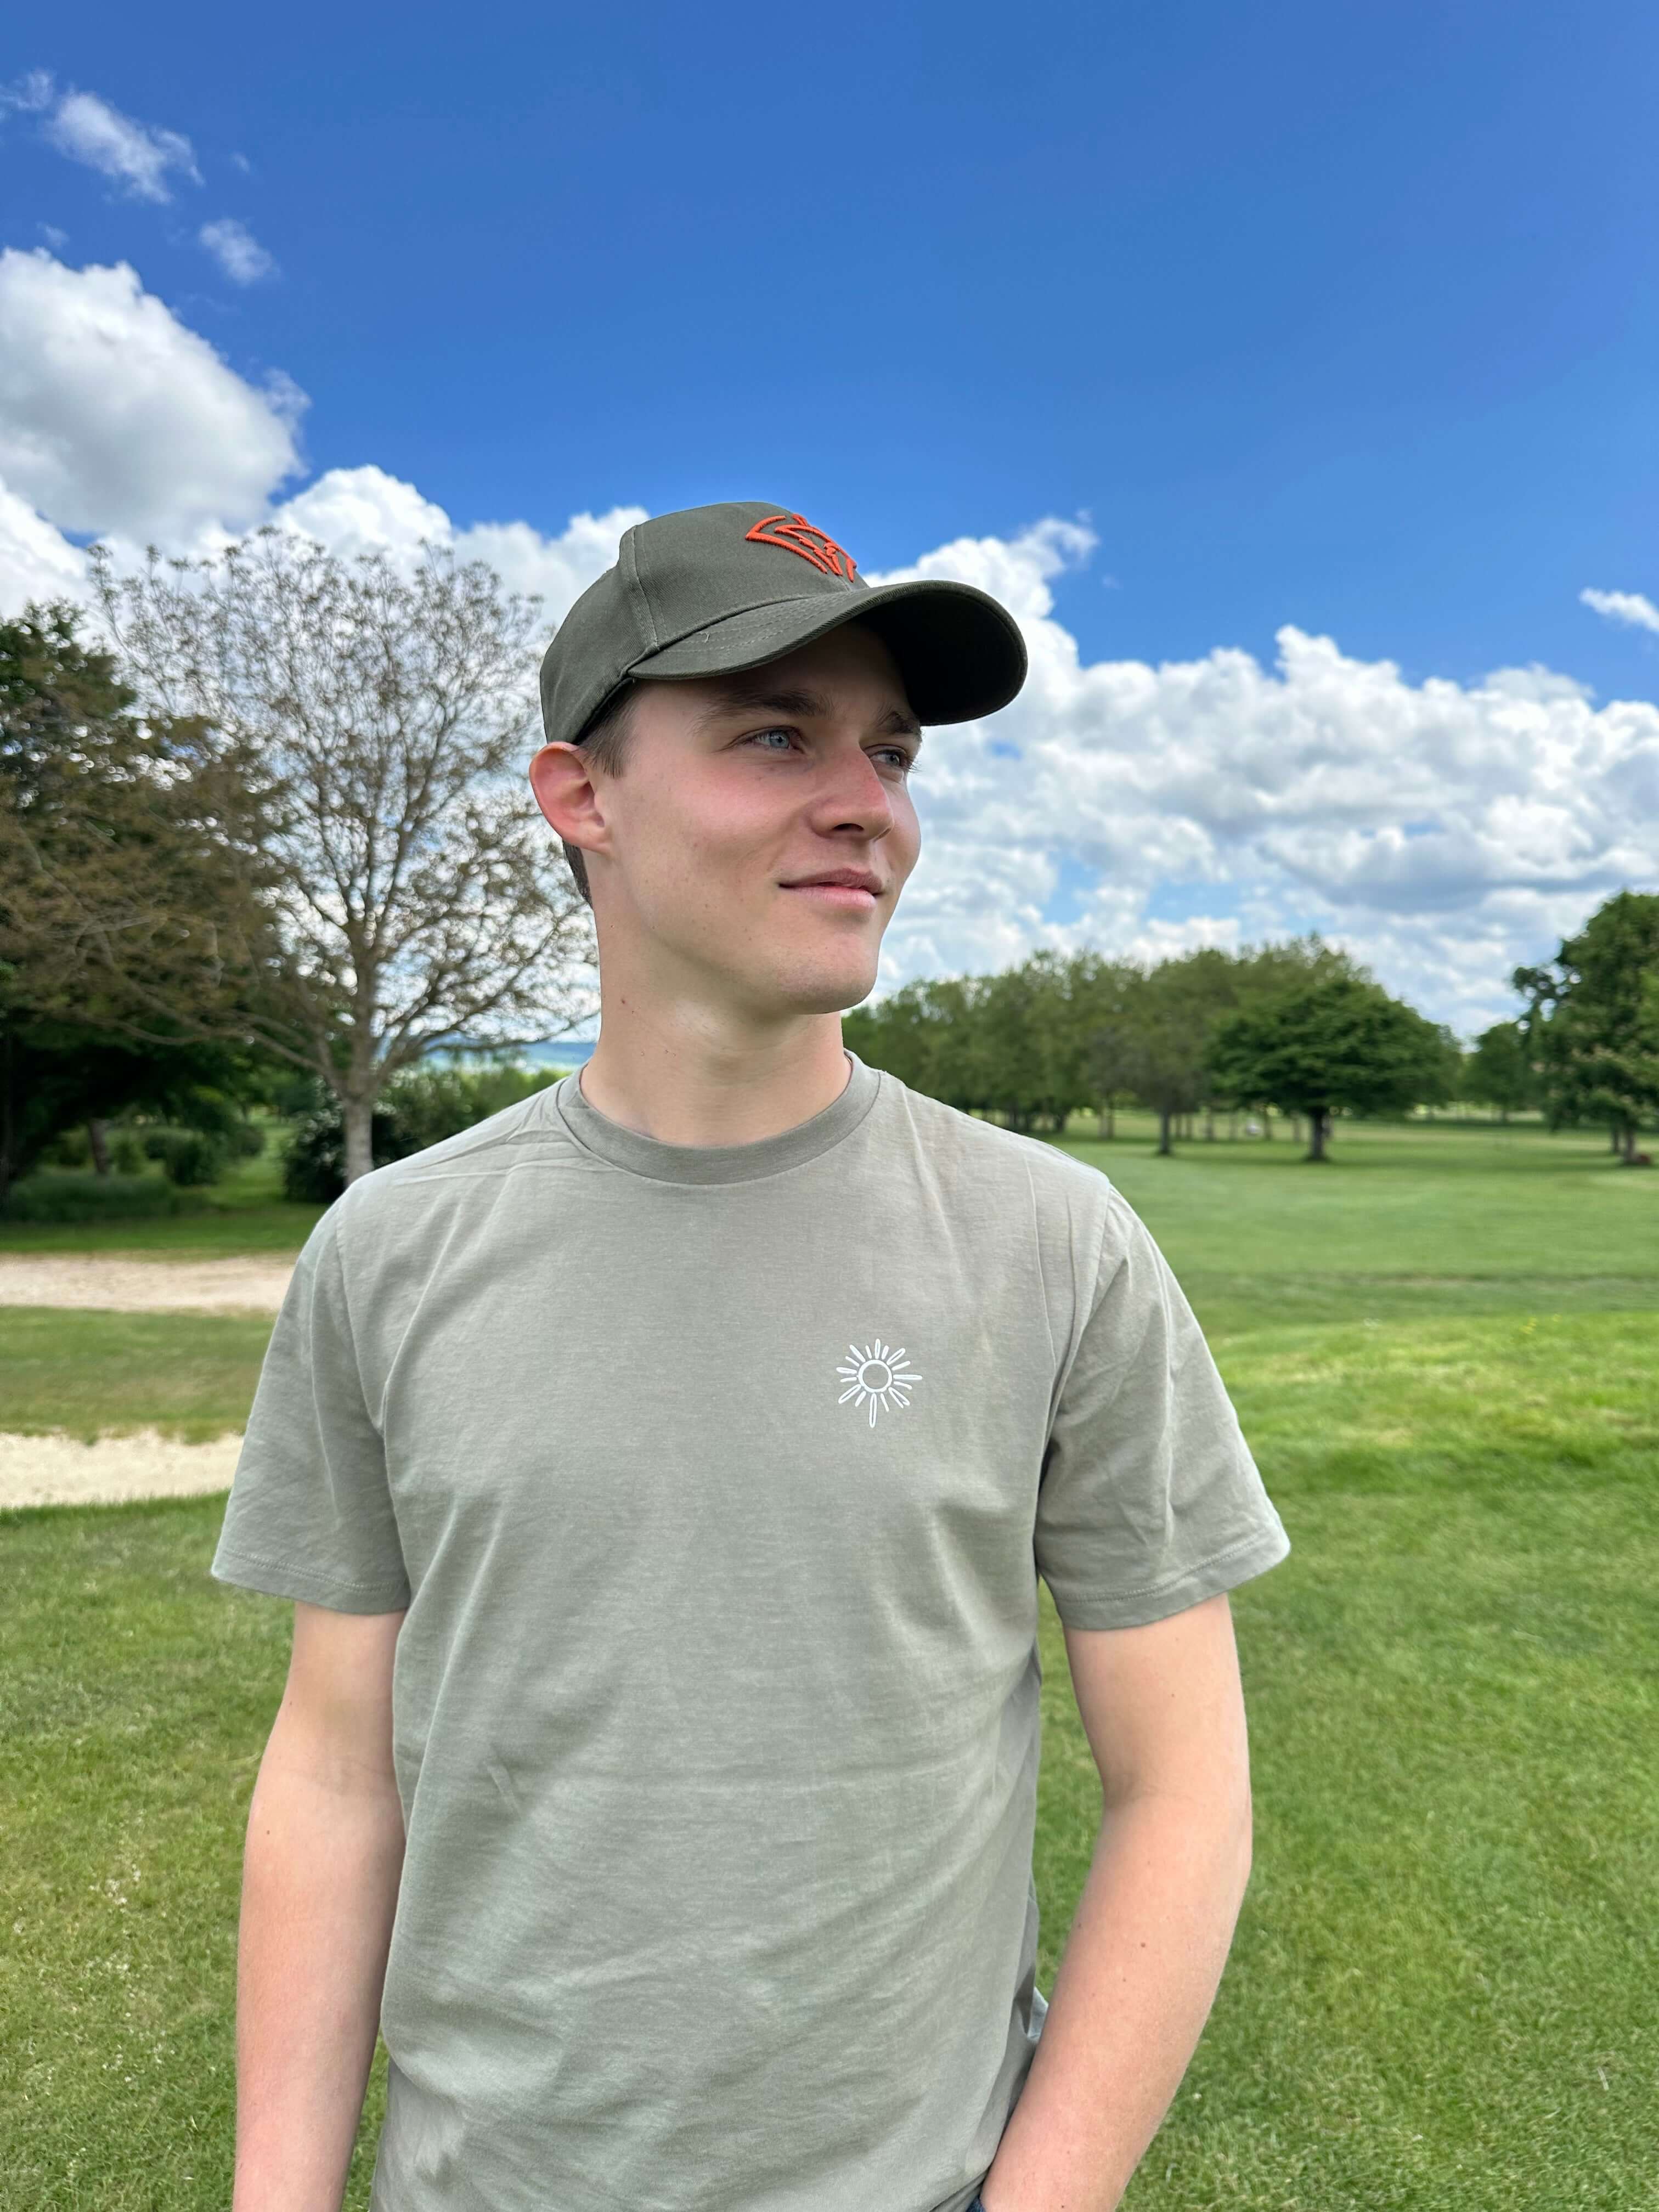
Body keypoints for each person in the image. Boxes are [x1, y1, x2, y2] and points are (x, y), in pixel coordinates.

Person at [211, 500, 1291, 2212]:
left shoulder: (1053, 1243)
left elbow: (1184, 1793)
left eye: (890, 749)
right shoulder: (391, 1253)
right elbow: (337, 1773)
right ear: (586, 800)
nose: (866, 803)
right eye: (774, 735)